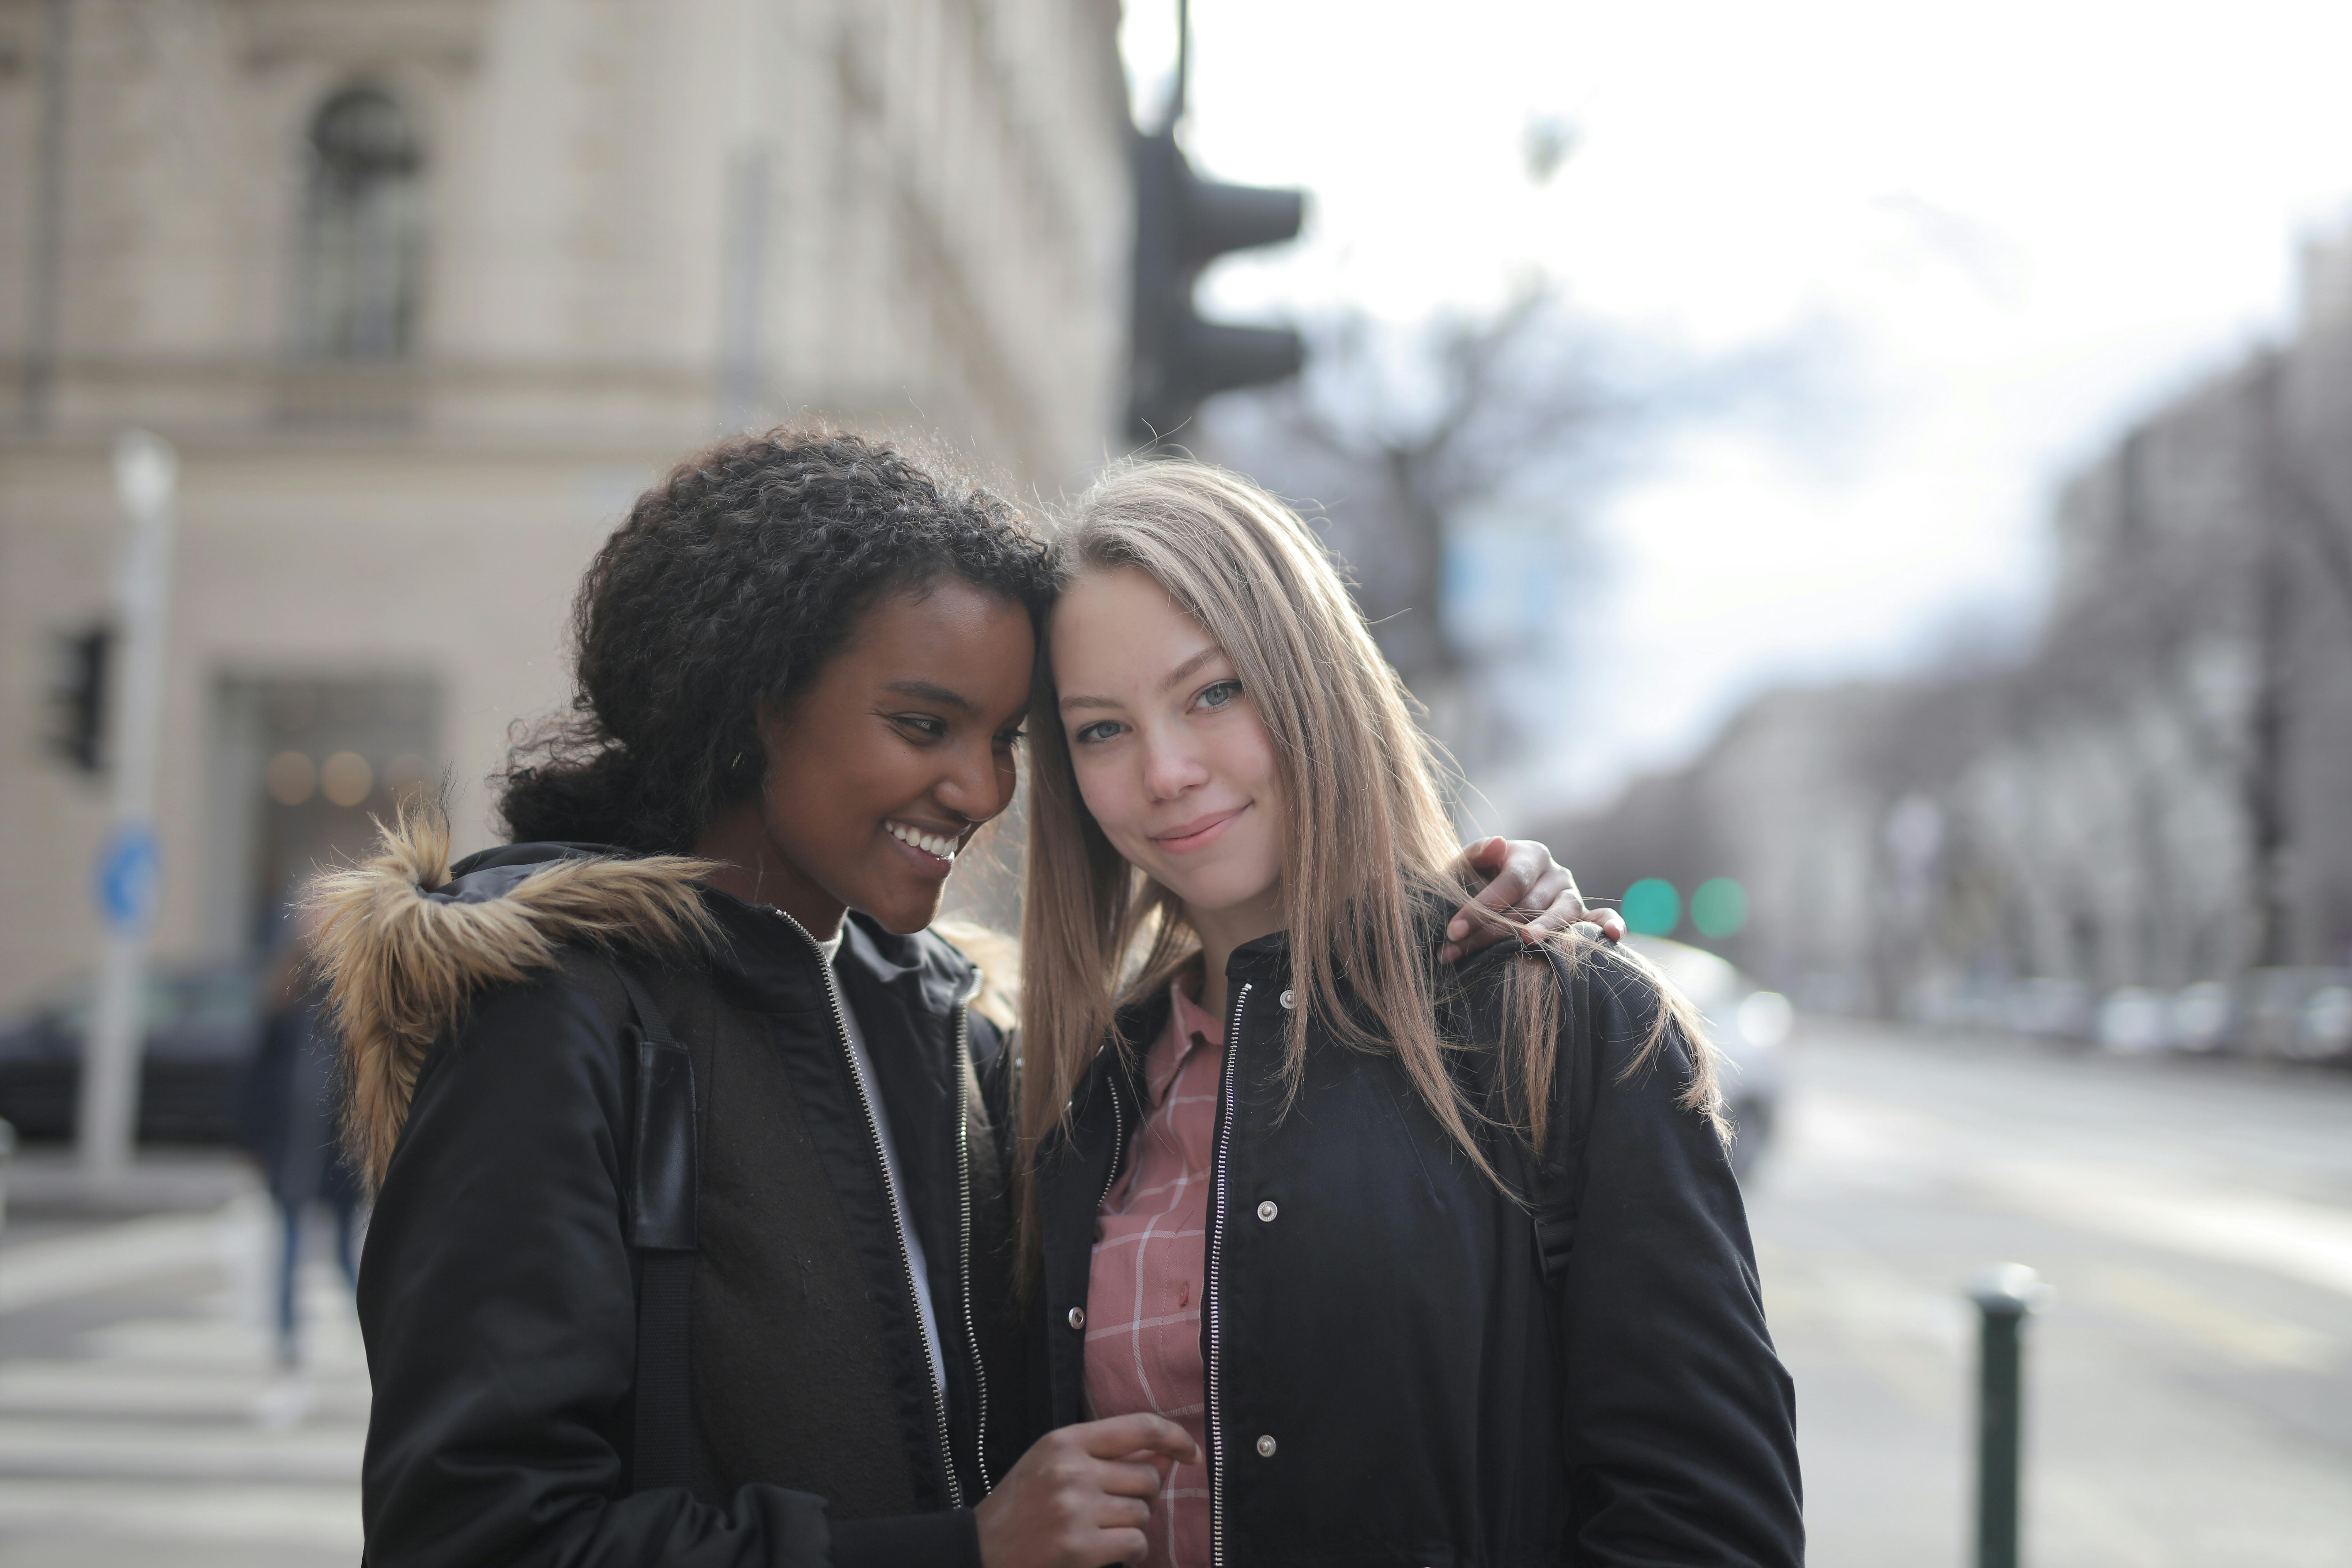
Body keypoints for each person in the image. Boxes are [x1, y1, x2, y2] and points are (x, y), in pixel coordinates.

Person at [309, 428, 1608, 1568]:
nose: (985, 791)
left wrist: (1458, 905)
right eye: (925, 725)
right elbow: (470, 1531)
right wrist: (956, 1551)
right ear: (757, 704)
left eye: (1010, 741)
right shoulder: (555, 1013)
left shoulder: (969, 1036)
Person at [1015, 460, 1806, 1567]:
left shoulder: (1565, 1027)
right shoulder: (1078, 1092)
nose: (1167, 771)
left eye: (1214, 693)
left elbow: (1710, 1529)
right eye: (1102, 730)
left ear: (1311, 681)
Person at [237, 911, 364, 1367]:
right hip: (290, 1149)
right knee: (289, 1249)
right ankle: (288, 1337)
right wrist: (253, 1142)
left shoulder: (349, 1002)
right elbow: (257, 1079)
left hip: (336, 1152)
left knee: (345, 1254)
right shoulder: (282, 1004)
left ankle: (372, 1332)